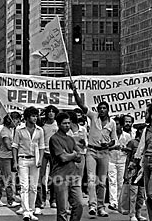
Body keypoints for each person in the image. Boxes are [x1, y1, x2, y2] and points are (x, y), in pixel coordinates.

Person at [72, 85, 117, 217]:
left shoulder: (112, 123)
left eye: (104, 108)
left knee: (102, 181)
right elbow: (81, 105)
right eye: (100, 108)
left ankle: (101, 207)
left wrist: (107, 144)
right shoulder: (93, 116)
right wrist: (75, 92)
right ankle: (92, 205)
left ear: (108, 110)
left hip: (104, 153)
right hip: (91, 151)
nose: (102, 110)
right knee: (91, 181)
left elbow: (114, 140)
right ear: (97, 110)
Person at [50, 112, 85, 221]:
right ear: (59, 124)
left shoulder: (70, 139)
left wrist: (71, 154)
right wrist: (73, 154)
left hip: (74, 175)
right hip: (60, 176)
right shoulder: (54, 139)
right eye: (64, 123)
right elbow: (62, 158)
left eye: (69, 123)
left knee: (79, 204)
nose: (67, 125)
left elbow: (79, 156)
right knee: (63, 209)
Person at [12, 107, 45, 221]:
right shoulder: (19, 129)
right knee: (24, 186)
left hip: (35, 160)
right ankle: (25, 211)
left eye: (36, 116)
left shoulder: (40, 130)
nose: (35, 118)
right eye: (32, 116)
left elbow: (42, 147)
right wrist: (15, 162)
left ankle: (31, 210)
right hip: (23, 159)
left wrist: (40, 159)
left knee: (33, 187)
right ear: (27, 117)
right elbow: (15, 146)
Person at [0, 112, 21, 208]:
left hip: (7, 157)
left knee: (2, 179)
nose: (18, 122)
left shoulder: (9, 130)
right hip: (5, 158)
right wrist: (17, 146)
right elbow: (8, 146)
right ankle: (10, 200)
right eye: (17, 120)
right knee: (8, 179)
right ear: (10, 120)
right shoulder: (5, 131)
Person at [36, 105, 59, 212]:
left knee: (53, 177)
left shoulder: (58, 124)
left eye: (52, 111)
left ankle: (53, 199)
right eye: (49, 111)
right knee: (41, 177)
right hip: (43, 152)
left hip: (54, 153)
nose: (50, 113)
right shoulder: (42, 124)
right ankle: (42, 199)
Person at [108, 116, 131, 211]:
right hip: (111, 160)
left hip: (122, 160)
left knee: (121, 182)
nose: (115, 126)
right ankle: (113, 202)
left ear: (121, 125)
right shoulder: (109, 135)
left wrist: (125, 148)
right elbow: (104, 148)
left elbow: (130, 149)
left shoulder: (127, 136)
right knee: (112, 181)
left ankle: (119, 201)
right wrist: (113, 148)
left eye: (117, 124)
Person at [124, 123, 147, 221]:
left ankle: (138, 213)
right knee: (133, 193)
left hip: (143, 171)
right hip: (133, 170)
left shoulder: (147, 143)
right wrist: (126, 172)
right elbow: (128, 158)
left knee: (141, 194)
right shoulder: (132, 142)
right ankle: (132, 214)